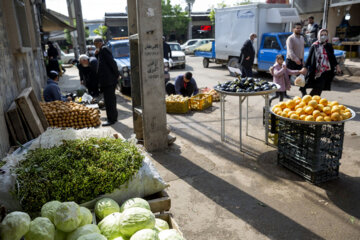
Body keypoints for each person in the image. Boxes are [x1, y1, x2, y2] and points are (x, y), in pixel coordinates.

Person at [302, 29, 341, 96]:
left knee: (320, 87)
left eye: (325, 35)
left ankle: (312, 101)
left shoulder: (329, 46)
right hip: (316, 71)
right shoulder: (314, 45)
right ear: (318, 36)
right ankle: (309, 100)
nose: (323, 36)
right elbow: (309, 57)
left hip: (326, 70)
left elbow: (332, 57)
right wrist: (305, 67)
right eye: (321, 35)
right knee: (317, 87)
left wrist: (337, 66)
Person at [94, 37, 120, 126]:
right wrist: (96, 55)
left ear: (99, 43)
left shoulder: (104, 49)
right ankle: (112, 118)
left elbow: (112, 63)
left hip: (108, 81)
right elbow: (101, 63)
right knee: (109, 100)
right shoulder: (101, 51)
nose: (95, 46)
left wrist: (117, 75)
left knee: (110, 101)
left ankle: (111, 120)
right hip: (106, 81)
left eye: (95, 43)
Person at [286, 22, 305, 97]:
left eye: (300, 28)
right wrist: (296, 59)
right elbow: (290, 51)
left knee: (301, 77)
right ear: (293, 29)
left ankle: (303, 92)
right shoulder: (290, 38)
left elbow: (302, 50)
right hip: (291, 61)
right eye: (297, 28)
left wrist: (302, 60)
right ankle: (283, 93)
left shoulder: (302, 38)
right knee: (287, 78)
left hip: (299, 61)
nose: (299, 29)